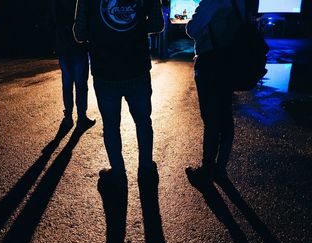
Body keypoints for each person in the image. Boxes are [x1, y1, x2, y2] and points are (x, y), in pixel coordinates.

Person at [73, 0, 164, 180]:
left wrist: (101, 30)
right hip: (137, 67)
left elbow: (80, 34)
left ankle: (118, 172)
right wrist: (134, 26)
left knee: (111, 126)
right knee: (143, 122)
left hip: (105, 71)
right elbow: (157, 24)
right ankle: (146, 167)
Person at [185, 0, 246, 181]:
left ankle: (207, 170)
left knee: (211, 120)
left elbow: (193, 29)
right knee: (226, 117)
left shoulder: (212, 1)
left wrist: (192, 21)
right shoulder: (238, 2)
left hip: (210, 63)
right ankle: (221, 169)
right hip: (230, 62)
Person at [49, 0, 95, 130]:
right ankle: (81, 117)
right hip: (78, 46)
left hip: (63, 46)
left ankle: (68, 117)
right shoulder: (78, 2)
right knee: (81, 85)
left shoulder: (56, 4)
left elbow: (53, 21)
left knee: (67, 84)